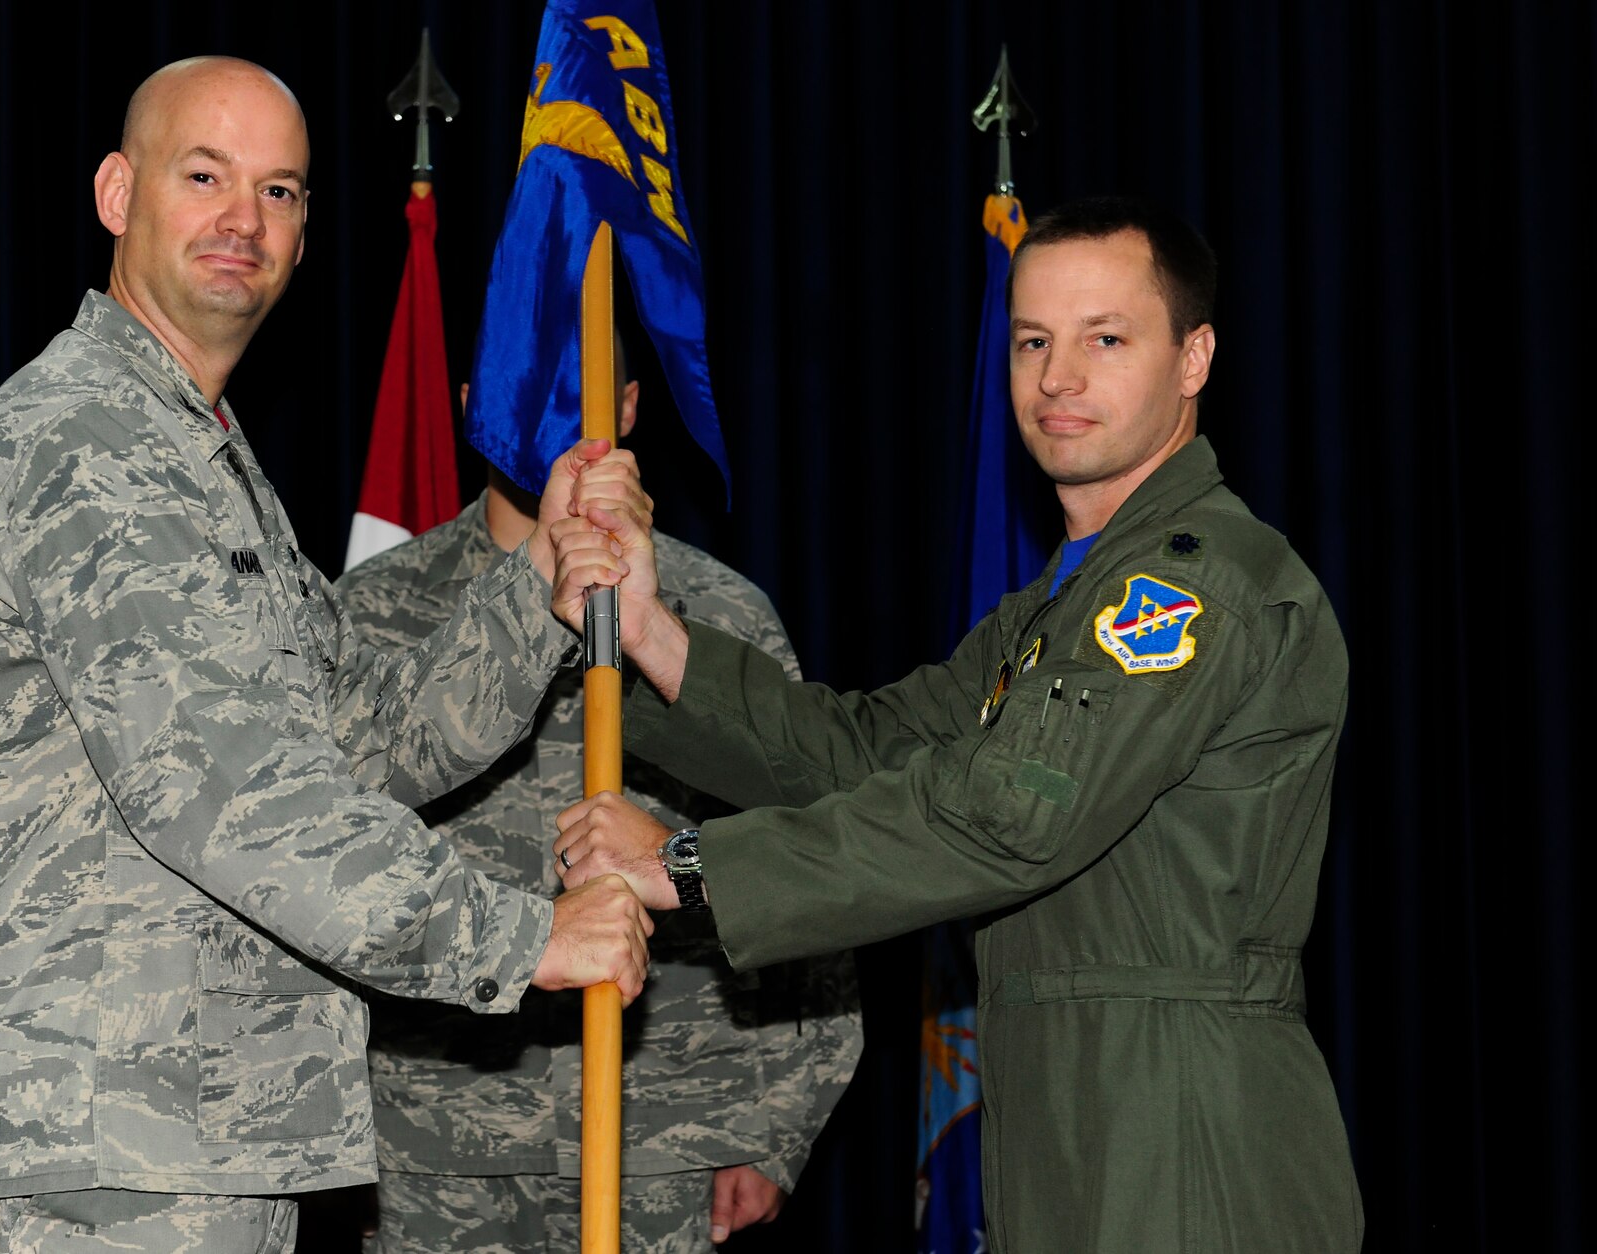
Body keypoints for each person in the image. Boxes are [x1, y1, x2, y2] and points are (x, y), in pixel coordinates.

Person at [0, 57, 660, 1252]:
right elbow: (233, 793)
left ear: (306, 236)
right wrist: (522, 938)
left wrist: (541, 580)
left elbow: (365, 735)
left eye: (278, 193)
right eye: (203, 176)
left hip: (192, 1136)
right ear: (117, 193)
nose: (241, 221)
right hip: (94, 1152)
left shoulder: (201, 455)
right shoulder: (88, 441)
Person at [554, 197, 1363, 1252]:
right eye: (1032, 341)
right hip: (1069, 1116)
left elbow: (1003, 820)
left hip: (1183, 1132)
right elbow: (858, 755)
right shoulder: (1053, 609)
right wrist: (656, 635)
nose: (1056, 378)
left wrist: (686, 869)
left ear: (1193, 356)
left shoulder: (1189, 589)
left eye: (1103, 339)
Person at [338, 366, 862, 1253]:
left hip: (670, 1135)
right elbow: (322, 869)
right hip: (429, 1139)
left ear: (626, 407)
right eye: (520, 377)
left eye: (578, 383)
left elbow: (810, 858)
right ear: (472, 405)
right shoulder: (374, 611)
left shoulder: (717, 615)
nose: (549, 403)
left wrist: (779, 1122)